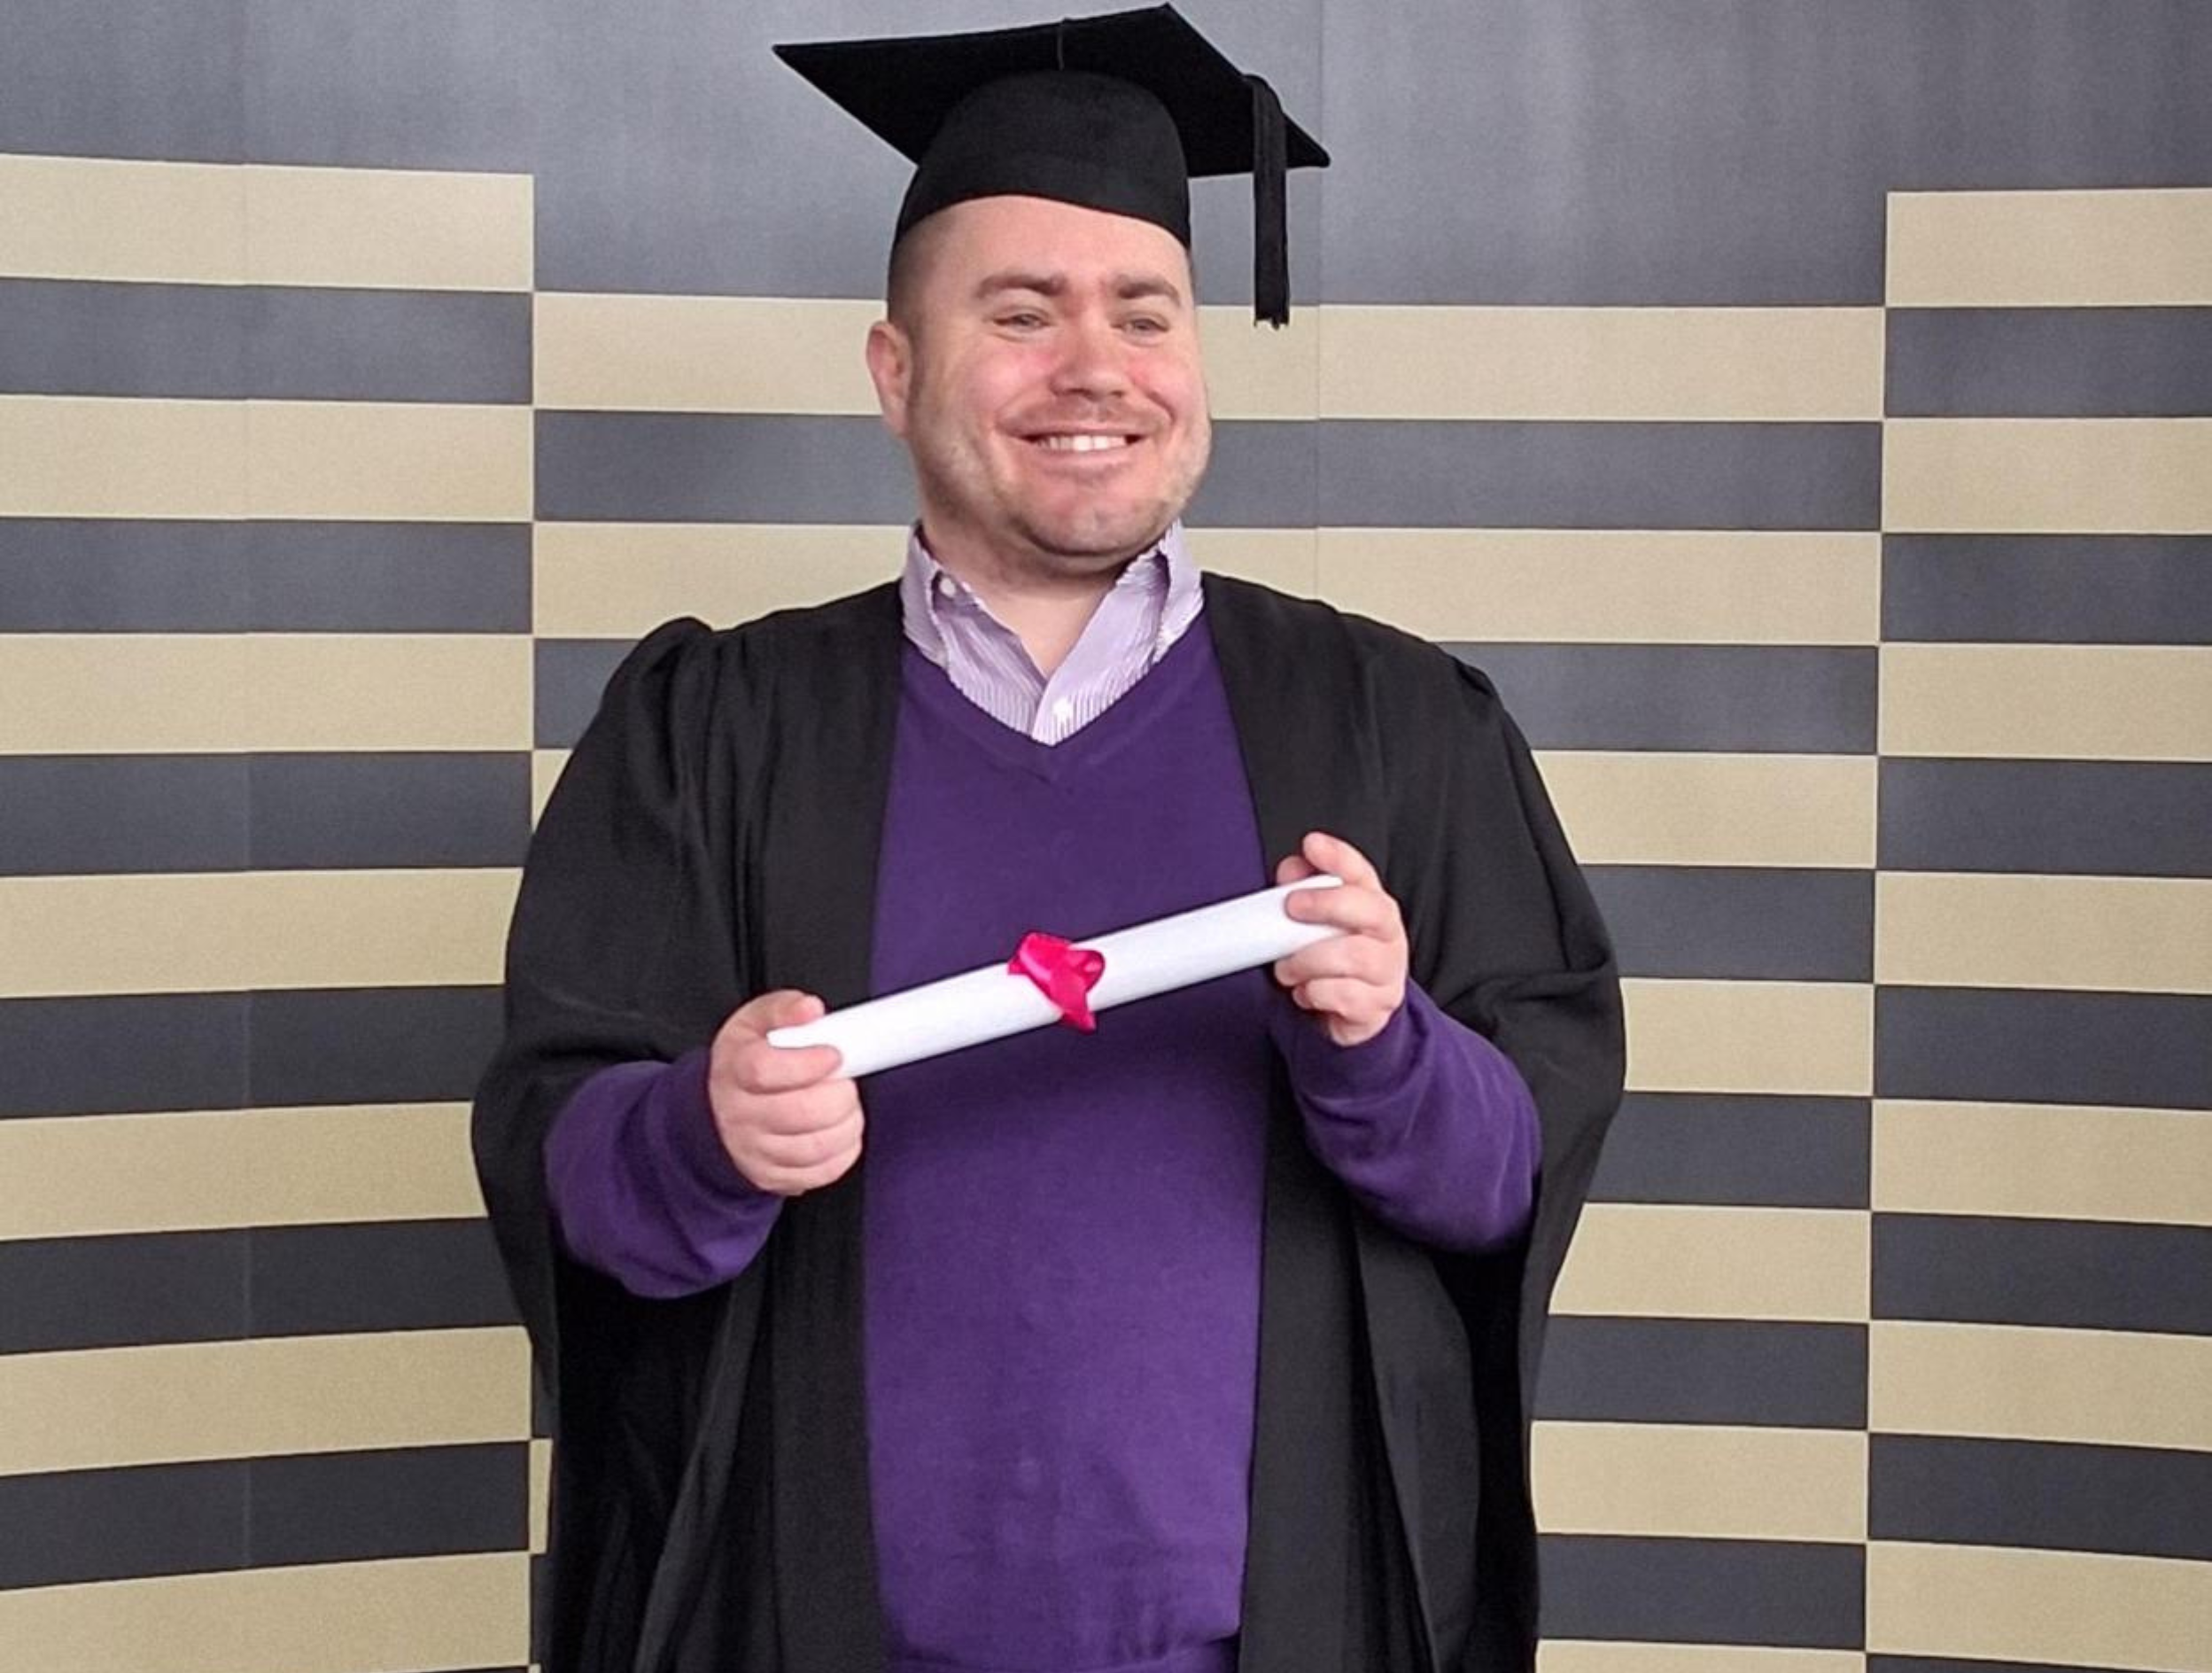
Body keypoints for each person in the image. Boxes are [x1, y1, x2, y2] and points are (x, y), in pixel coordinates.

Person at [472, 9, 1625, 1673]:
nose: (1097, 368)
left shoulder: (1397, 728)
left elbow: (1505, 1174)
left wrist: (1383, 1044)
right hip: (808, 1633)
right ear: (896, 371)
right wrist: (703, 1135)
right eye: (1021, 314)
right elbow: (561, 1154)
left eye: (1143, 314)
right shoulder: (713, 732)